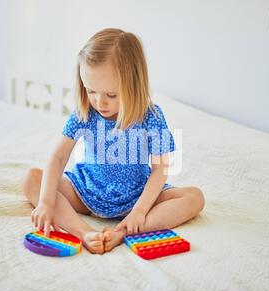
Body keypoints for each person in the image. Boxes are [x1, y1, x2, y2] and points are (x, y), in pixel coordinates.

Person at [22, 28, 205, 254]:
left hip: (137, 195)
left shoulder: (152, 116)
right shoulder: (84, 113)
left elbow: (160, 169)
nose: (100, 102)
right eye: (91, 91)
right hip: (86, 191)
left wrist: (139, 211)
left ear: (134, 85)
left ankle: (123, 231)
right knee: (32, 179)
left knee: (194, 197)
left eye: (111, 95)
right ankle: (85, 232)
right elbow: (58, 157)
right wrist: (46, 203)